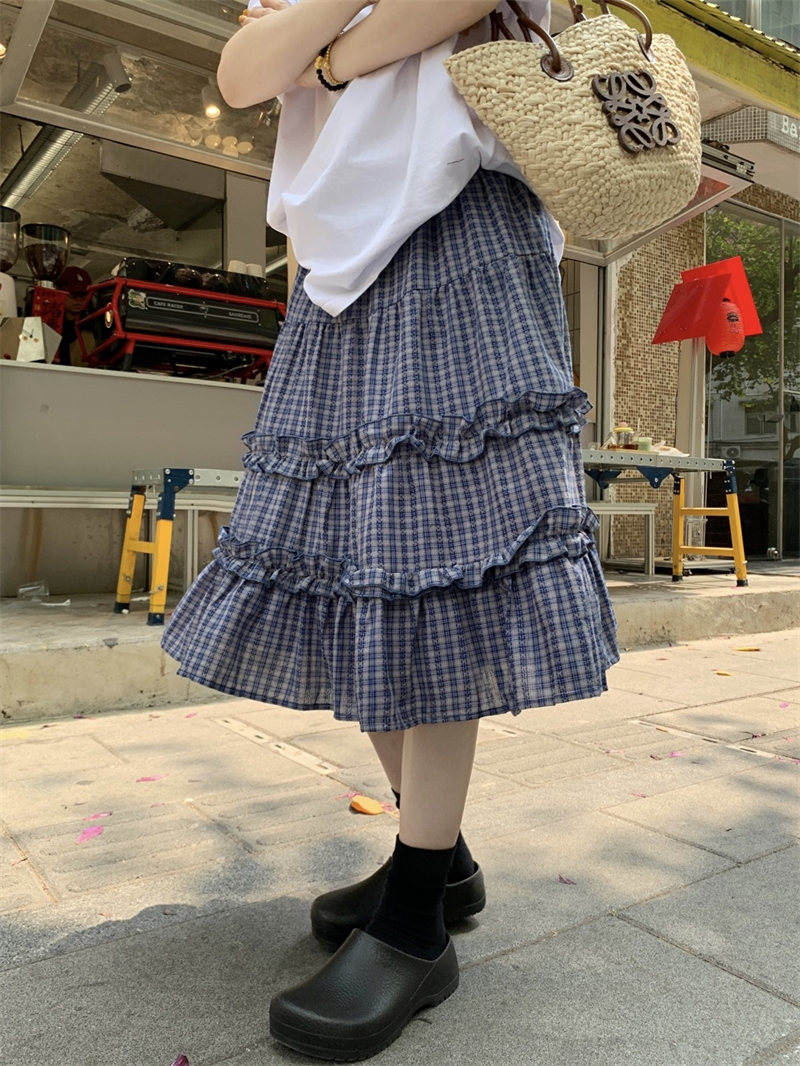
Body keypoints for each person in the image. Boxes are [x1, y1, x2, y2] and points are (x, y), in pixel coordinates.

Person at [162, 0, 619, 1059]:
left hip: (458, 229)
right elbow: (240, 73)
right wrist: (331, 40)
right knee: (340, 566)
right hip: (336, 274)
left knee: (430, 563)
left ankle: (416, 920)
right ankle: (439, 860)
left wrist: (320, 59)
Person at [55, 265, 92, 367]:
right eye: (73, 294)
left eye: (83, 295)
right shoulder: (49, 324)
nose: (79, 299)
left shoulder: (91, 331)